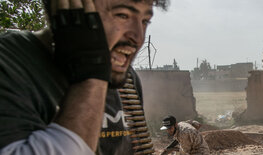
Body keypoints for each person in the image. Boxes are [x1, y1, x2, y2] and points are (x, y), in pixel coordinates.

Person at [0, 0, 169, 154]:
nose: (138, 37)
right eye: (122, 15)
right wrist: (92, 76)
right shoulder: (10, 62)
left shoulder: (127, 80)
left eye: (144, 21)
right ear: (69, 7)